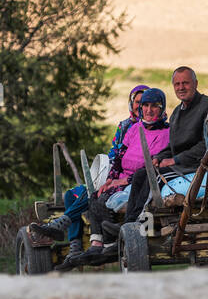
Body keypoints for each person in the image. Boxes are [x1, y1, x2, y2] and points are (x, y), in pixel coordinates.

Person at [29, 84, 148, 269]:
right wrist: (106, 174)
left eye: (145, 103)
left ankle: (61, 225)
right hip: (112, 174)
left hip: (128, 180)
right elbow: (114, 154)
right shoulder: (125, 126)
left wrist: (115, 179)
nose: (141, 107)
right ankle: (75, 246)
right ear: (131, 104)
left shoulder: (149, 128)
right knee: (71, 194)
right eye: (137, 102)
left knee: (91, 194)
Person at [72, 86, 172, 267]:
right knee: (96, 196)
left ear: (162, 107)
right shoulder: (134, 128)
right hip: (121, 178)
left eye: (155, 106)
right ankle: (98, 242)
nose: (149, 110)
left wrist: (122, 181)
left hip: (140, 181)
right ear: (140, 108)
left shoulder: (166, 133)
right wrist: (110, 179)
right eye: (145, 105)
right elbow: (118, 157)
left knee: (102, 201)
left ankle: (113, 242)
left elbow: (151, 168)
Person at [123, 66, 208, 214]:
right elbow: (173, 145)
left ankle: (139, 222)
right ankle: (129, 222)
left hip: (195, 166)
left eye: (185, 83)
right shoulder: (176, 112)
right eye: (177, 84)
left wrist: (175, 159)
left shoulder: (207, 106)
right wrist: (159, 157)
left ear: (196, 83)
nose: (181, 87)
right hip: (179, 165)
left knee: (154, 177)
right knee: (141, 174)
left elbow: (207, 144)